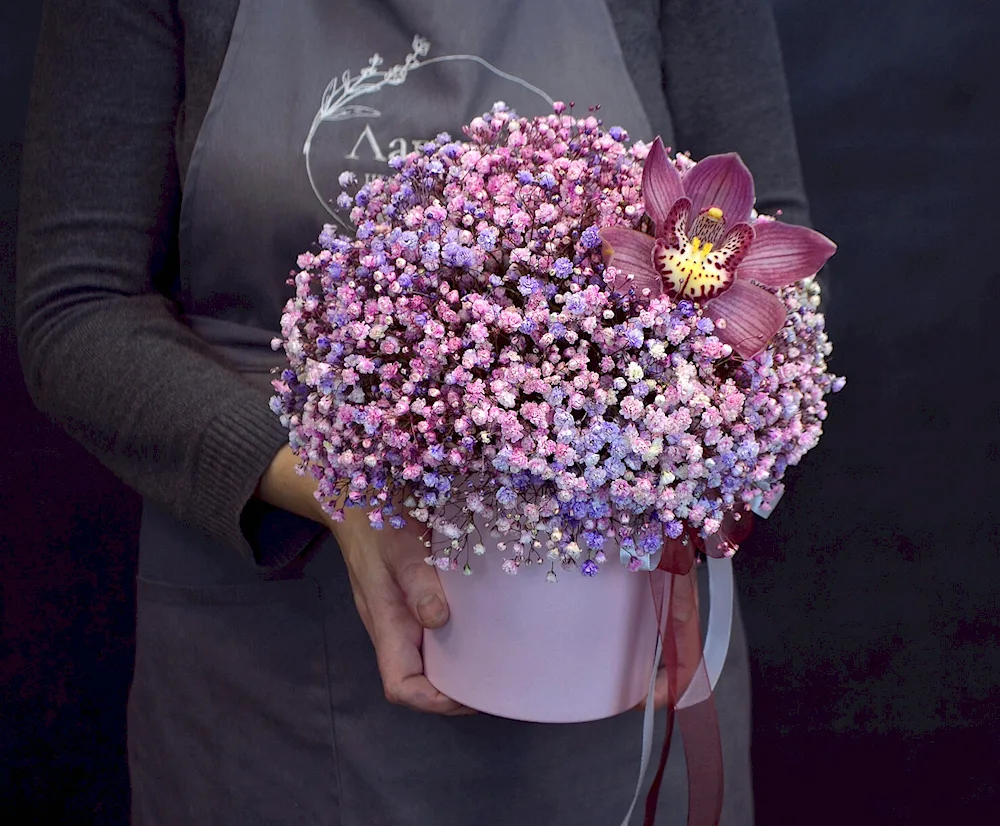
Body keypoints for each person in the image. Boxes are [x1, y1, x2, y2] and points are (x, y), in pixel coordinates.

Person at [17, 1, 809, 823]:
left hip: (614, 630)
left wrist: (668, 484)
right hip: (273, 654)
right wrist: (337, 486)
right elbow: (78, 307)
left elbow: (777, 256)